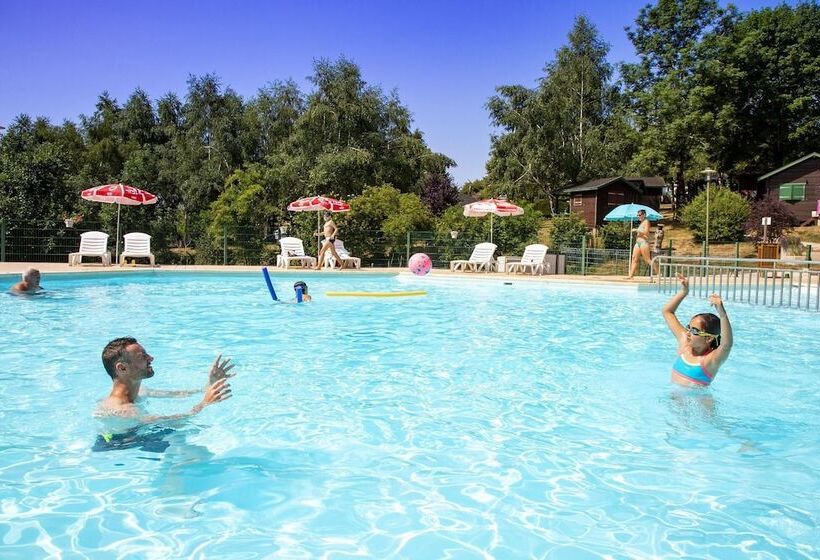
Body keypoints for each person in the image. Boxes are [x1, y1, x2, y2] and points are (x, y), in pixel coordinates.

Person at [94, 337, 235, 423]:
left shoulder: (141, 391)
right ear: (122, 368)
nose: (151, 358)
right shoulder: (121, 410)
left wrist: (209, 385)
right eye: (142, 356)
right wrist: (204, 404)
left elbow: (179, 395)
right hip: (120, 444)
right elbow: (173, 423)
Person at [661, 273, 733, 387]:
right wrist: (684, 292)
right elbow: (667, 312)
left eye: (694, 331)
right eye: (688, 328)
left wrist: (722, 313)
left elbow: (726, 345)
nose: (688, 333)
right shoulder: (685, 344)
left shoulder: (710, 361)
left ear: (709, 338)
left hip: (699, 399)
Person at [627, 209, 654, 279]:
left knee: (647, 260)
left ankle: (659, 273)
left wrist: (637, 230)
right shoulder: (641, 223)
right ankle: (631, 275)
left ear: (644, 215)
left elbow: (647, 233)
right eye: (637, 215)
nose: (638, 216)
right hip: (638, 243)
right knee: (634, 259)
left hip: (643, 242)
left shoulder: (646, 221)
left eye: (639, 215)